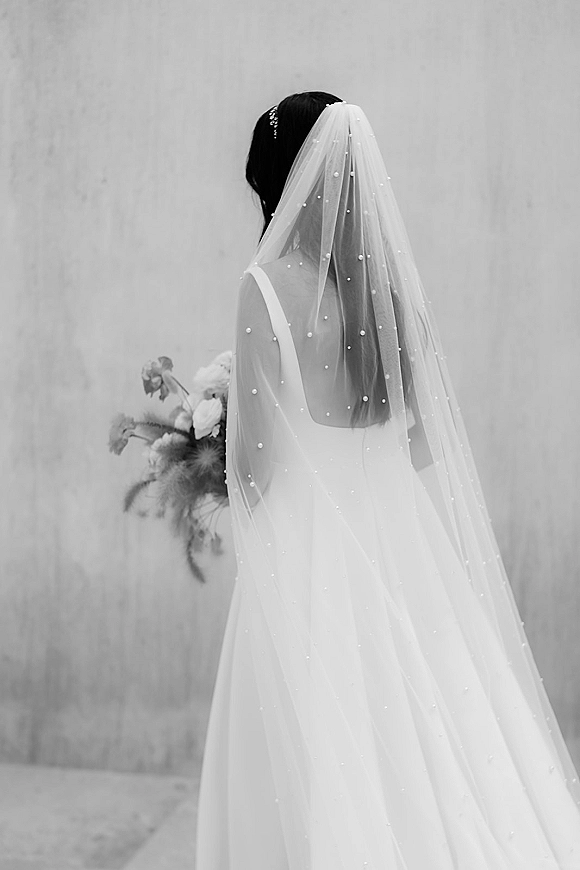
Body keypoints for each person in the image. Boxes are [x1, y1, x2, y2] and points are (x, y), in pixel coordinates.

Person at [195, 92, 580, 869]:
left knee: (316, 749)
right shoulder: (387, 293)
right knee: (429, 736)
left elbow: (260, 467)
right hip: (398, 546)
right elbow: (422, 446)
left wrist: (215, 455)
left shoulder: (266, 287)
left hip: (305, 553)